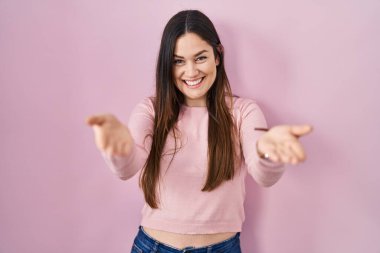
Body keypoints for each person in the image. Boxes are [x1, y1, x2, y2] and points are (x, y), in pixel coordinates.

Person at [86, 10, 312, 253]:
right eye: (178, 61)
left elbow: (263, 174)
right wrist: (119, 151)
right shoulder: (151, 110)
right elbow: (127, 167)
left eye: (200, 57)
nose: (191, 71)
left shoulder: (243, 111)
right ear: (167, 64)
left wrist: (269, 155)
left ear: (218, 55)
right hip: (152, 246)